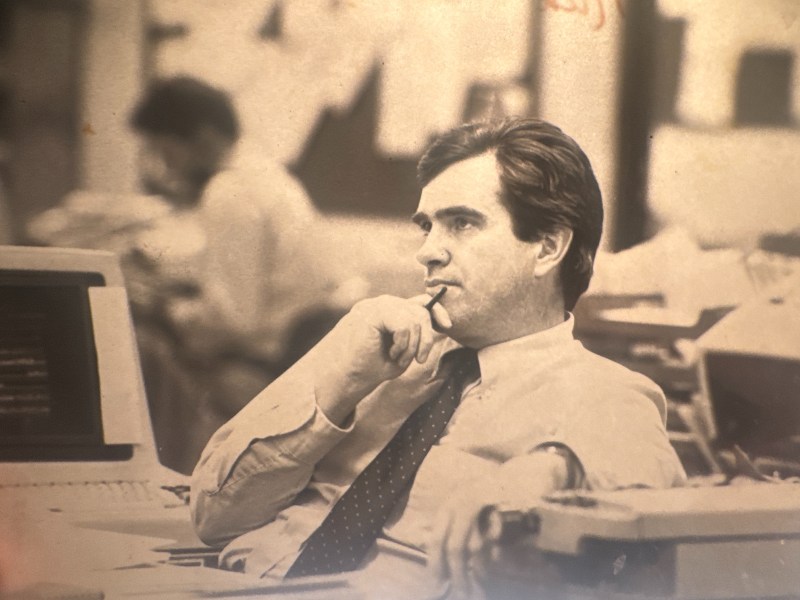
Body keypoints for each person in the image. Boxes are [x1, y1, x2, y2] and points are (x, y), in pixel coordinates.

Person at [190, 117, 686, 598]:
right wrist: (337, 372)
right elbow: (212, 516)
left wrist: (547, 469)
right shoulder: (383, 359)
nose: (427, 252)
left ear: (547, 247)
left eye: (462, 224)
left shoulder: (601, 392)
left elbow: (640, 461)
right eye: (427, 227)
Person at [29, 76, 330, 474]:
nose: (161, 163)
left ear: (202, 139)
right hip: (300, 347)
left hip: (272, 364)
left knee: (141, 343)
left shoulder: (231, 192)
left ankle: (152, 479)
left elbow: (232, 321)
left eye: (163, 148)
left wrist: (160, 303)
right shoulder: (264, 174)